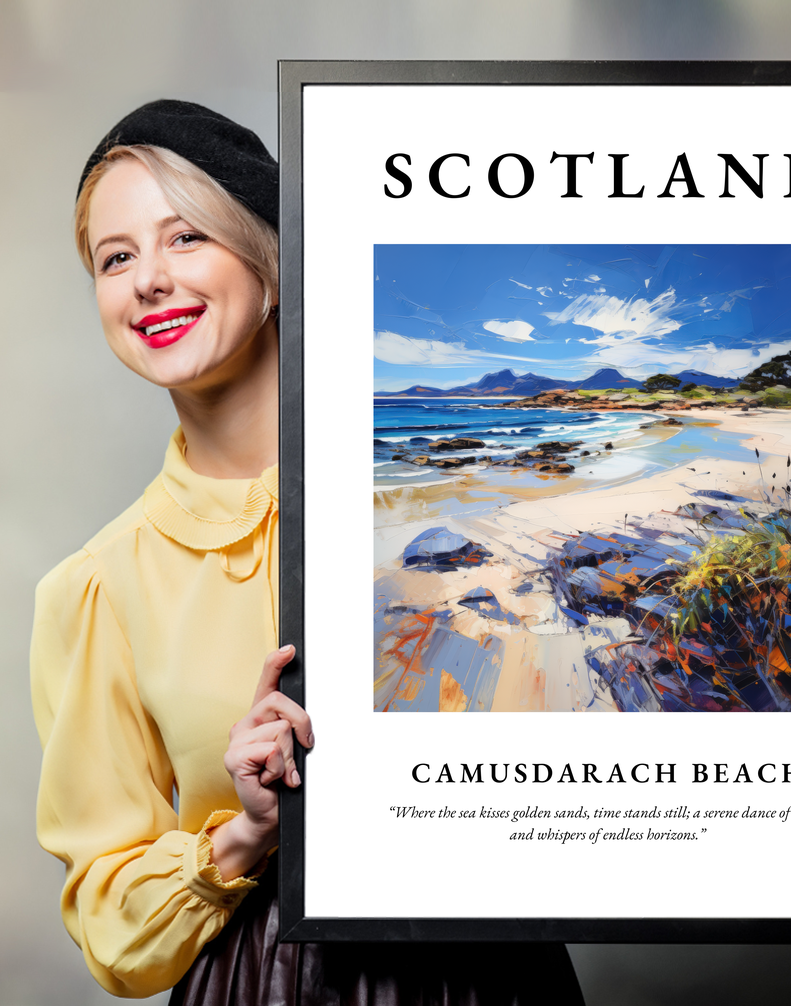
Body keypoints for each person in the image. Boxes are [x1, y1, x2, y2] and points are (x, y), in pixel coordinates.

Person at [30, 100, 586, 1004]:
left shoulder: (449, 507)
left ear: (273, 263)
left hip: (493, 972)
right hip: (263, 981)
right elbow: (110, 923)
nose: (148, 281)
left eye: (185, 238)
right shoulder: (97, 587)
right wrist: (245, 832)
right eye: (116, 257)